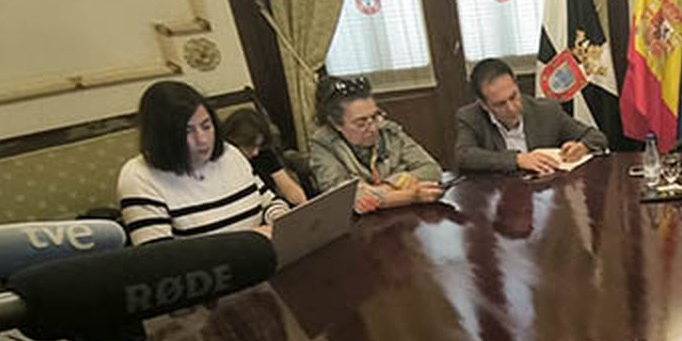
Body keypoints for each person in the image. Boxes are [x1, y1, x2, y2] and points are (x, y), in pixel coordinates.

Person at [117, 80, 288, 245]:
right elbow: (159, 261)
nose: (203, 139)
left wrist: (281, 220)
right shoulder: (139, 177)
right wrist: (248, 240)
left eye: (206, 126)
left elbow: (269, 202)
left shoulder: (229, 154)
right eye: (187, 131)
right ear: (162, 137)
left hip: (263, 257)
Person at [308, 75, 443, 212]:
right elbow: (343, 196)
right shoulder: (322, 143)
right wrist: (411, 196)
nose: (373, 128)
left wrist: (389, 185)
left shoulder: (389, 130)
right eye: (361, 123)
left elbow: (431, 169)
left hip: (407, 217)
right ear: (336, 123)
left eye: (374, 116)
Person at [454, 57, 607, 175]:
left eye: (513, 96)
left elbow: (596, 137)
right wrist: (517, 160)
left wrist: (582, 147)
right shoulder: (470, 117)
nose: (512, 108)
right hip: (500, 199)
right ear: (484, 105)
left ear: (516, 85)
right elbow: (464, 156)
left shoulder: (546, 110)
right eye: (500, 104)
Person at [220, 107, 307, 208]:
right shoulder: (225, 161)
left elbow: (287, 187)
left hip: (271, 208)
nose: (256, 152)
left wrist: (303, 203)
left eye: (258, 146)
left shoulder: (264, 153)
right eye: (250, 147)